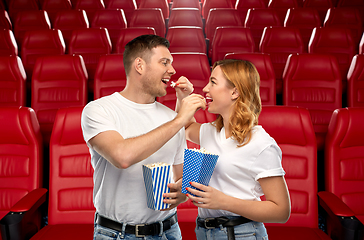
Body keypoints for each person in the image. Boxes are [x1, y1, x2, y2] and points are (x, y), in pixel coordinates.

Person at [81, 34, 202, 240]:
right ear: (139, 65)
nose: (172, 70)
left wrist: (183, 192)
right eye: (164, 62)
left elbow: (180, 173)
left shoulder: (172, 118)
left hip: (169, 231)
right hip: (118, 233)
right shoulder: (99, 110)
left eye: (171, 63)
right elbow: (122, 157)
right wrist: (179, 120)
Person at [176, 59, 291, 240]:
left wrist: (223, 201)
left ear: (235, 92)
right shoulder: (211, 131)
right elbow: (183, 127)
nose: (205, 89)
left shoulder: (261, 143)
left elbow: (281, 210)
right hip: (204, 231)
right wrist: (183, 97)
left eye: (213, 82)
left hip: (241, 233)